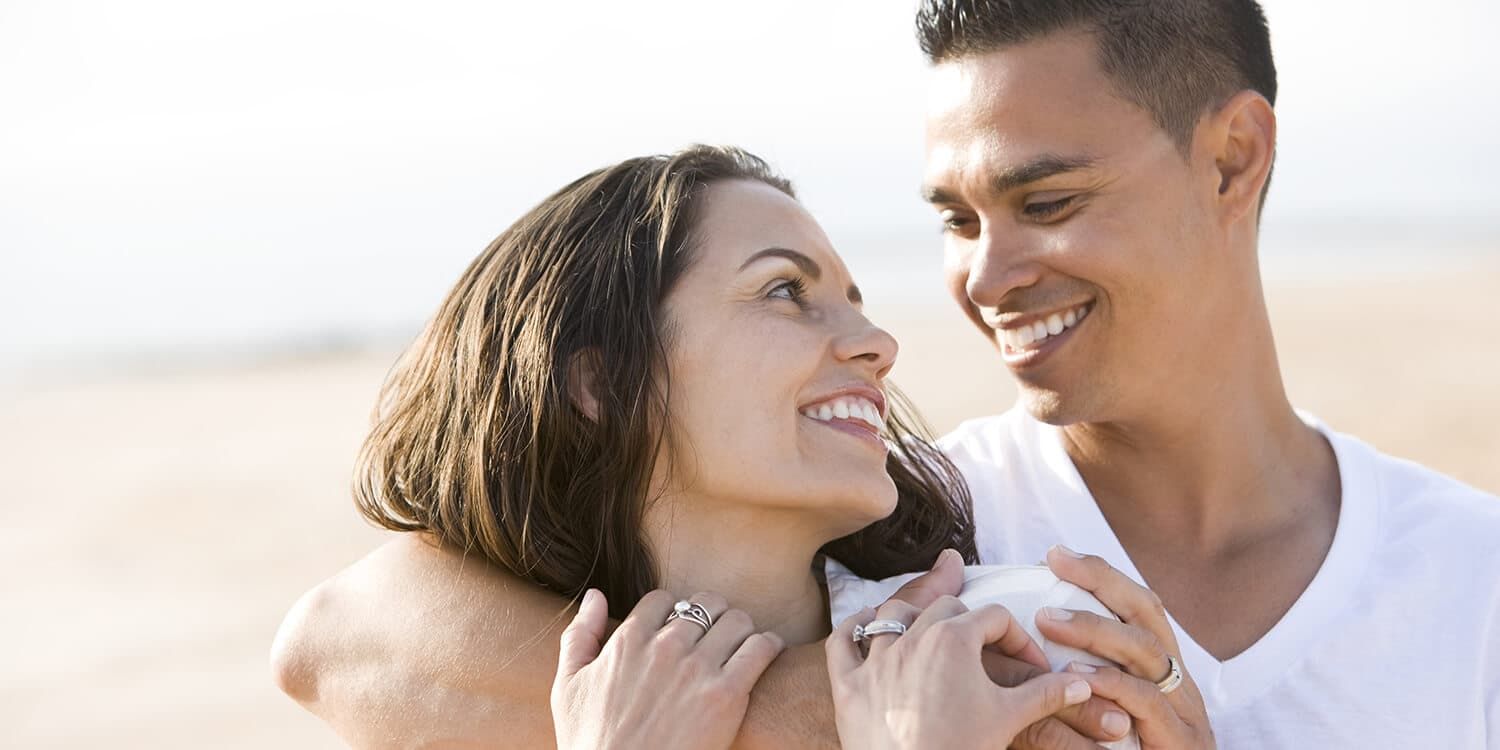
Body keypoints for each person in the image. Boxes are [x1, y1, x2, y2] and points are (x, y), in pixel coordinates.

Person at [275, 1, 1500, 748]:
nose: (986, 276)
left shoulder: (1473, 584)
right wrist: (822, 713)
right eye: (958, 221)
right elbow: (338, 635)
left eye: (1048, 199)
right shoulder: (913, 537)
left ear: (1233, 160)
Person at [273, 143, 1174, 748]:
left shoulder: (1020, 646)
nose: (874, 342)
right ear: (601, 384)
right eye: (784, 290)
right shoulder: (503, 706)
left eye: (854, 298)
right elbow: (319, 639)